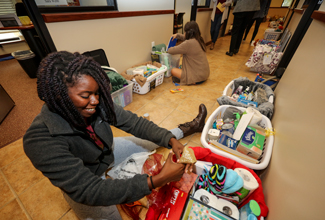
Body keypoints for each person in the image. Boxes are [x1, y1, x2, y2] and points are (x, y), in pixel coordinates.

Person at [23, 51, 208, 220]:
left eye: (96, 93)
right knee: (111, 216)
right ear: (58, 96)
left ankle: (187, 129)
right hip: (86, 180)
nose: (95, 101)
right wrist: (157, 180)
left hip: (106, 152)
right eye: (86, 95)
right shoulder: (40, 139)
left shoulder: (96, 101)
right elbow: (90, 190)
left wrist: (171, 140)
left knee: (151, 140)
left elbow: (135, 123)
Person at [168, 21, 210, 85]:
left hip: (197, 77)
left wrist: (168, 47)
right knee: (180, 68)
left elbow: (171, 51)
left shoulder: (188, 44)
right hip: (205, 74)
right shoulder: (199, 39)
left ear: (188, 33)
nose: (184, 33)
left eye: (185, 32)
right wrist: (177, 35)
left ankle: (190, 80)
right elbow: (185, 38)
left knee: (173, 70)